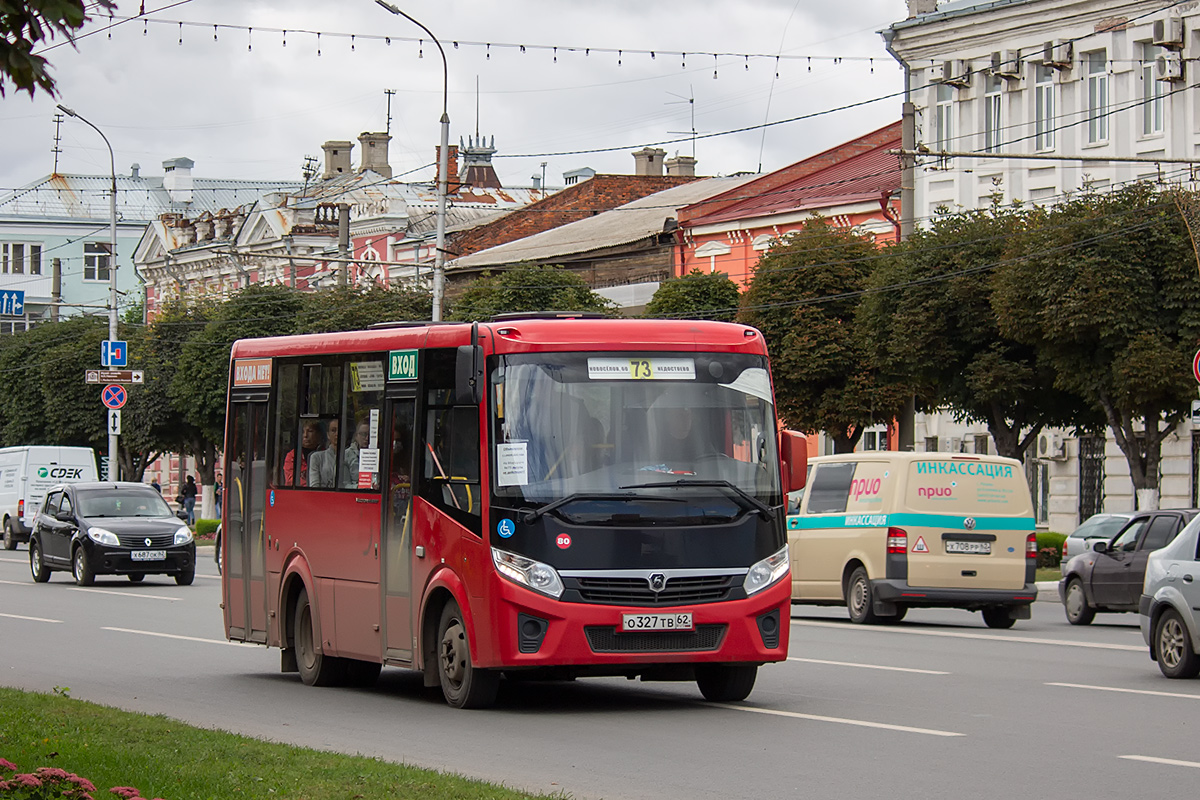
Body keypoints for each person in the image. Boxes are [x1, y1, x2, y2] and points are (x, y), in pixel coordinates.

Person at [283, 420, 324, 486]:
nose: (305, 435)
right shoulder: (292, 456)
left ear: (318, 435)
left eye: (310, 431)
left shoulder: (325, 454)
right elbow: (291, 480)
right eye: (302, 432)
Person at [309, 419, 340, 488]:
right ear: (328, 435)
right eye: (333, 430)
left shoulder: (352, 456)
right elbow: (314, 486)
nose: (337, 434)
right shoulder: (316, 457)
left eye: (340, 430)